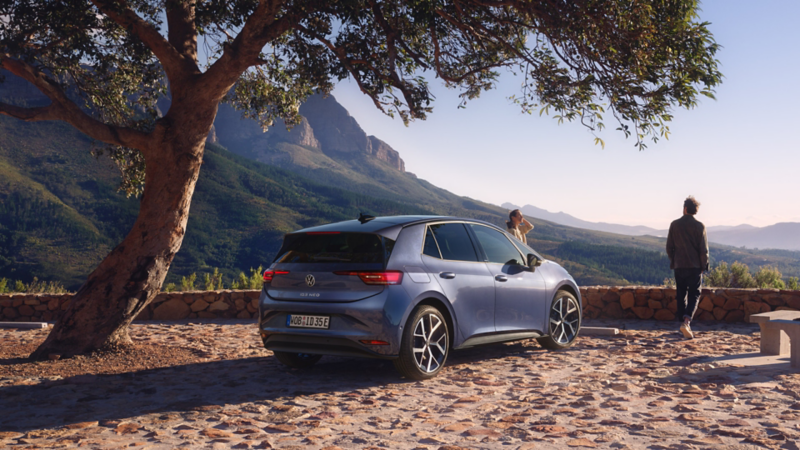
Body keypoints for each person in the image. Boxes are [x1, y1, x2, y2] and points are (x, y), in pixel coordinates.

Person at [666, 196, 709, 339]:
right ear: (695, 210)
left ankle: (682, 324)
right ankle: (687, 321)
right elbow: (703, 250)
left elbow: (669, 247)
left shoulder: (674, 225)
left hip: (679, 265)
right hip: (695, 266)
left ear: (684, 208)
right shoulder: (700, 226)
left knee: (681, 294)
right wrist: (704, 265)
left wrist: (674, 260)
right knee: (694, 294)